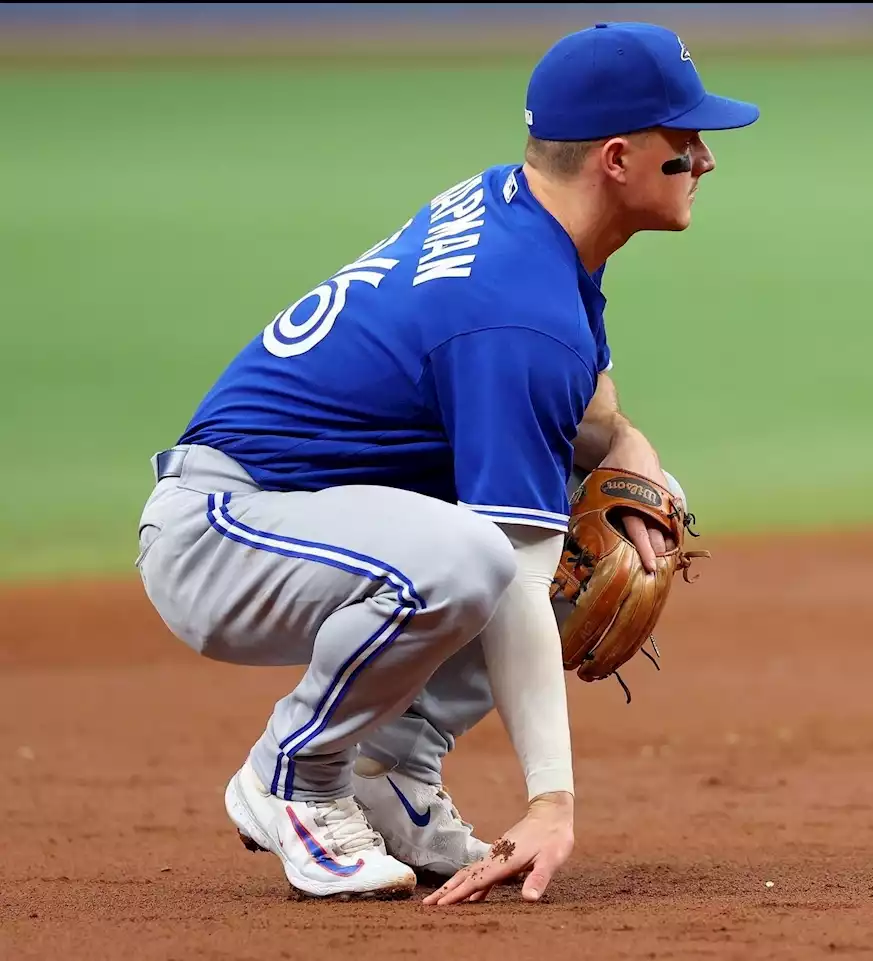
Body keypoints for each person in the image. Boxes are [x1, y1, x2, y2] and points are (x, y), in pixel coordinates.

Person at [133, 21, 759, 907]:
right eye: (684, 142)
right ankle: (293, 776)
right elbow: (513, 576)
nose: (705, 159)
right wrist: (552, 802)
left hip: (307, 518)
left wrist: (633, 451)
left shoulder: (520, 206)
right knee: (480, 558)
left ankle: (391, 773)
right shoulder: (514, 309)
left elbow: (588, 406)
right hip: (223, 534)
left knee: (610, 496)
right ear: (616, 159)